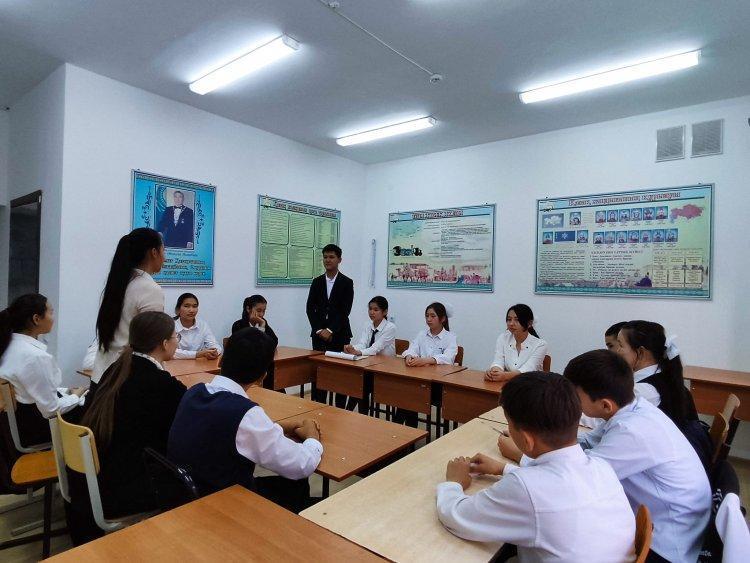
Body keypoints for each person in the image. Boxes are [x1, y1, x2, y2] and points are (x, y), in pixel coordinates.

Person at [437, 372, 635, 561]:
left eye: (510, 425)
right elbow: (553, 485)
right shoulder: (600, 466)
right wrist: (503, 468)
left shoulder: (525, 487)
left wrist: (454, 482)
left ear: (526, 440)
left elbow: (456, 517)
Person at [564, 350, 711, 562]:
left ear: (605, 404)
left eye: (576, 398)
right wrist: (549, 438)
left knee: (562, 529)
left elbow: (581, 477)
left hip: (665, 546)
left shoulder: (632, 431)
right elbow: (588, 442)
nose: (571, 402)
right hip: (668, 522)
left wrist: (523, 455)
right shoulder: (632, 408)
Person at [168, 328, 322, 513]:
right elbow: (300, 465)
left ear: (221, 360)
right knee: (297, 483)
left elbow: (227, 430)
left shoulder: (195, 392)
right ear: (263, 376)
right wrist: (312, 437)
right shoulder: (245, 414)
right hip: (226, 506)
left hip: (191, 496)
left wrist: (278, 427)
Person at [70, 312, 186, 543]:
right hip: (123, 489)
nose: (177, 342)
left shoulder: (116, 368)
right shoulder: (161, 384)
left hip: (96, 480)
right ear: (164, 343)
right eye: (176, 337)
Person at [616, 321, 712, 467]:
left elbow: (608, 417)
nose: (616, 352)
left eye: (620, 345)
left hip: (667, 463)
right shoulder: (665, 377)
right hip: (677, 459)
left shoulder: (644, 391)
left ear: (640, 352)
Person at [0, 294, 86, 447]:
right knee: (96, 411)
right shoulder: (35, 357)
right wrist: (76, 395)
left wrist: (66, 391)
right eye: (51, 312)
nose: (53, 318)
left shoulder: (8, 345)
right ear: (36, 319)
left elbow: (29, 389)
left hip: (21, 422)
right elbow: (51, 410)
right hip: (36, 429)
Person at [93, 228, 165, 387]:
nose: (164, 258)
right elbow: (151, 342)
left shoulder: (116, 284)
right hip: (125, 379)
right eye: (163, 251)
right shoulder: (149, 288)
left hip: (101, 374)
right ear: (154, 252)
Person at [306, 244, 354, 406]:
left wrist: (330, 329)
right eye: (325, 257)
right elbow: (310, 308)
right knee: (319, 374)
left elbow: (345, 310)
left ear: (339, 260)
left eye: (332, 257)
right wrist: (319, 329)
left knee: (339, 375)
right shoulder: (317, 282)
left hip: (339, 334)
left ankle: (340, 410)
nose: (328, 260)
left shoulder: (347, 282)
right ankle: (318, 406)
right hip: (319, 336)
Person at [397, 303, 457, 427]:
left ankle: (404, 431)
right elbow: (412, 349)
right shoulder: (422, 334)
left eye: (433, 316)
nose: (429, 319)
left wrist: (425, 360)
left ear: (442, 319)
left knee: (409, 394)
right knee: (406, 392)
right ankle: (405, 431)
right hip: (420, 380)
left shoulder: (450, 337)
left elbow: (449, 358)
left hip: (438, 385)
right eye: (427, 316)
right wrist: (409, 356)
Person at [343, 296, 397, 412]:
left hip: (385, 369)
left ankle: (353, 412)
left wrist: (357, 352)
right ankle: (353, 412)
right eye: (370, 309)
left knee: (361, 383)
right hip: (369, 366)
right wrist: (351, 348)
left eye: (376, 309)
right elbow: (363, 344)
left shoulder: (390, 327)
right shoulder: (368, 325)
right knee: (359, 381)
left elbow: (375, 348)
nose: (372, 312)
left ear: (385, 312)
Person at [485, 304, 547, 383]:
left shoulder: (541, 345)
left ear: (529, 323)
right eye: (509, 319)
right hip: (509, 384)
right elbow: (498, 361)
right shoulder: (503, 338)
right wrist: (494, 372)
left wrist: (504, 376)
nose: (511, 323)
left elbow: (528, 370)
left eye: (517, 320)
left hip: (532, 385)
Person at [232, 295, 279, 391]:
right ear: (248, 309)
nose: (261, 314)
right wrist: (260, 330)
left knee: (272, 368)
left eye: (264, 311)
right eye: (258, 310)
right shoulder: (238, 325)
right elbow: (249, 346)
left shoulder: (263, 322)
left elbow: (274, 341)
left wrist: (262, 326)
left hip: (262, 363)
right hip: (246, 365)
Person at [172, 293, 222, 360]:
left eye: (194, 306)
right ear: (178, 309)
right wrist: (198, 354)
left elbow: (214, 344)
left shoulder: (202, 325)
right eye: (186, 306)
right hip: (176, 364)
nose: (191, 310)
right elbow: (171, 351)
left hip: (199, 363)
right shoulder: (171, 326)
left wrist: (214, 352)